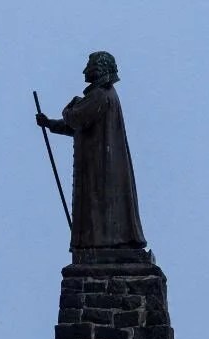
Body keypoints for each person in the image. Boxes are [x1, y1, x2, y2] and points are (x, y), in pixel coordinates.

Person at [35, 51, 147, 251]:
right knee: (100, 205)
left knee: (99, 203)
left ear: (99, 69)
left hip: (100, 164)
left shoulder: (100, 95)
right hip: (100, 161)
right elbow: (79, 125)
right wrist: (50, 124)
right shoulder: (103, 94)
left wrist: (69, 107)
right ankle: (102, 241)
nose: (85, 71)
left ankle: (102, 243)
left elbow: (76, 118)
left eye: (89, 66)